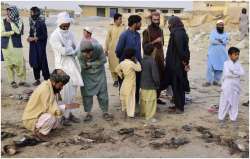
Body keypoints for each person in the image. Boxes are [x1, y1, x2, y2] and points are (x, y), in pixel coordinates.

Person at [22, 69, 80, 141]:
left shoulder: (50, 87)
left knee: (57, 117)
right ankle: (40, 133)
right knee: (51, 117)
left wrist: (65, 107)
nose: (62, 88)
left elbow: (53, 105)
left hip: (39, 115)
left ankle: (42, 128)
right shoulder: (45, 89)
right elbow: (51, 109)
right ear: (54, 82)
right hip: (31, 119)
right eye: (61, 85)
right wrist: (66, 106)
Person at [49, 12, 83, 126]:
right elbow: (63, 51)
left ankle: (71, 114)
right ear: (59, 23)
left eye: (68, 24)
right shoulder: (54, 36)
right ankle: (63, 116)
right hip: (62, 67)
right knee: (64, 92)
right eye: (64, 24)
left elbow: (76, 46)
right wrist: (71, 49)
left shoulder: (70, 33)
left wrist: (71, 49)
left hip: (72, 65)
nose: (66, 26)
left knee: (73, 92)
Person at [77, 40, 113, 122]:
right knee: (86, 94)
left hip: (100, 73)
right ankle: (88, 113)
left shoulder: (98, 47)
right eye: (86, 54)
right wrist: (93, 64)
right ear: (82, 53)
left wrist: (91, 64)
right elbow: (83, 66)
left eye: (90, 53)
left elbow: (104, 60)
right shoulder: (79, 54)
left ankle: (105, 112)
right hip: (86, 75)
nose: (88, 55)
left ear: (93, 50)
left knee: (103, 93)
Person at [116, 15, 142, 112]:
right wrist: (125, 62)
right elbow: (118, 51)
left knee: (136, 86)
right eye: (140, 22)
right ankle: (125, 107)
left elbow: (139, 51)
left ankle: (134, 105)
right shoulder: (124, 35)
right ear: (135, 23)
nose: (141, 24)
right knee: (125, 87)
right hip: (126, 67)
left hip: (136, 66)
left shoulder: (138, 35)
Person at [164, 16, 190, 114]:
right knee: (175, 85)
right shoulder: (177, 32)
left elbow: (181, 50)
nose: (168, 25)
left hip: (177, 65)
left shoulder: (178, 33)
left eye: (169, 23)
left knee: (178, 85)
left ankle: (180, 107)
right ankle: (177, 104)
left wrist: (184, 61)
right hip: (175, 63)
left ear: (173, 23)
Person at [1, 6, 27, 88]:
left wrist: (11, 23)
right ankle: (12, 81)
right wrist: (12, 32)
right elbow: (1, 33)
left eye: (10, 11)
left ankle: (22, 80)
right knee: (9, 64)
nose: (8, 13)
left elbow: (19, 31)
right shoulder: (2, 21)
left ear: (14, 12)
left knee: (20, 63)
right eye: (7, 11)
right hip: (6, 46)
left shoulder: (19, 20)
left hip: (16, 45)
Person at [218, 47, 244, 128]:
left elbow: (242, 73)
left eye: (238, 55)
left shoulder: (238, 64)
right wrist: (236, 74)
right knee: (224, 103)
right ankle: (221, 119)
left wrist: (234, 72)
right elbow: (227, 74)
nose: (237, 56)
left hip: (236, 87)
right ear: (230, 55)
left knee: (234, 103)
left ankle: (233, 118)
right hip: (227, 86)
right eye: (235, 54)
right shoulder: (226, 63)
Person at [142, 11, 165, 105]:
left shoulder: (160, 30)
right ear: (151, 20)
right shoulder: (146, 31)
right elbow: (145, 46)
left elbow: (162, 44)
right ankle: (151, 99)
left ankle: (157, 97)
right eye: (154, 20)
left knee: (160, 76)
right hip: (151, 58)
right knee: (152, 77)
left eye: (158, 20)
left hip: (160, 57)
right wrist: (155, 41)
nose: (156, 21)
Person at [115, 48, 141, 118]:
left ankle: (125, 110)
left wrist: (121, 75)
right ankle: (130, 114)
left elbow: (116, 69)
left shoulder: (122, 63)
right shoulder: (132, 64)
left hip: (125, 82)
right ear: (132, 56)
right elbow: (139, 69)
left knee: (124, 96)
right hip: (131, 83)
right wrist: (137, 61)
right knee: (131, 98)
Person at [28, 6, 50, 86]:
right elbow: (31, 34)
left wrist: (36, 38)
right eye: (31, 12)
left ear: (36, 13)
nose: (31, 14)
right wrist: (29, 38)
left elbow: (45, 36)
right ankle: (37, 79)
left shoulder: (41, 23)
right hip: (33, 46)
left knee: (43, 62)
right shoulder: (31, 22)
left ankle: (46, 79)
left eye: (32, 12)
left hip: (40, 46)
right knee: (34, 62)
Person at [203, 20, 229, 87]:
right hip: (212, 53)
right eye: (219, 25)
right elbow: (212, 41)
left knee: (219, 68)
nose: (220, 26)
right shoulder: (213, 33)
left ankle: (216, 81)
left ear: (223, 26)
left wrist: (219, 40)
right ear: (217, 26)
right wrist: (221, 41)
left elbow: (226, 41)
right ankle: (208, 81)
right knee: (209, 67)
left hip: (222, 54)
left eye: (222, 25)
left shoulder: (226, 34)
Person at [105, 13, 125, 87]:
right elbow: (107, 39)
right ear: (115, 20)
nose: (121, 20)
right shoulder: (110, 28)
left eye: (121, 19)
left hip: (121, 50)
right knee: (112, 65)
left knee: (120, 64)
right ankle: (115, 80)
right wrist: (106, 49)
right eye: (120, 19)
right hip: (112, 50)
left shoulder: (123, 28)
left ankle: (121, 79)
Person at [140, 44, 160, 121]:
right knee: (151, 101)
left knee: (143, 100)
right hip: (150, 85)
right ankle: (150, 117)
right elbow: (155, 75)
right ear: (152, 52)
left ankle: (143, 113)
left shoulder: (142, 60)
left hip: (143, 84)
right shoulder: (152, 62)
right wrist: (157, 83)